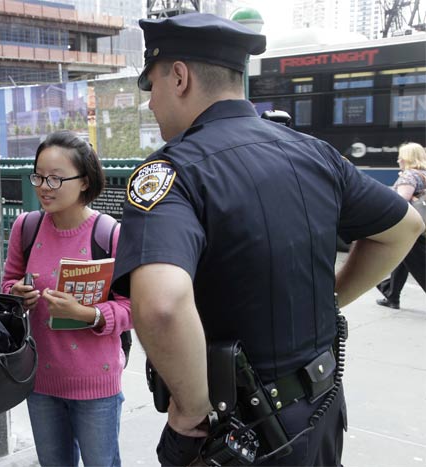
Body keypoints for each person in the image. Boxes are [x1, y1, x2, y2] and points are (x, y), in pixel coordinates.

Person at [111, 12, 425, 466]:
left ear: (178, 77)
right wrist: (332, 297)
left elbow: (161, 306)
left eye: (151, 86)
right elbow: (405, 228)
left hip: (234, 436)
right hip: (320, 414)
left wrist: (192, 409)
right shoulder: (315, 153)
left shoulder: (170, 173)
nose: (150, 104)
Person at [1, 130, 132, 467]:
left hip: (96, 383)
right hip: (40, 379)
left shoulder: (109, 234)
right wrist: (16, 295)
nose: (44, 187)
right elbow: (7, 285)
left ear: (85, 181)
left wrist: (88, 314)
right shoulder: (26, 228)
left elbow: (132, 308)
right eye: (39, 176)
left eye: (56, 179)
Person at [376, 142, 426, 308]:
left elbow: (400, 201)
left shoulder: (409, 176)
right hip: (422, 225)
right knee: (403, 258)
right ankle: (392, 294)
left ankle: (391, 293)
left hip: (410, 228)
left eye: (400, 156)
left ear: (406, 158)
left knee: (418, 265)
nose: (398, 160)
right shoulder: (423, 174)